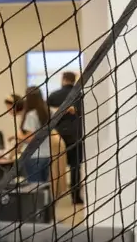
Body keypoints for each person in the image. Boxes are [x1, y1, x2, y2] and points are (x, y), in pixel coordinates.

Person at [50, 69, 85, 204]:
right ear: (74, 79)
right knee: (75, 166)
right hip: (76, 135)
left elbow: (48, 115)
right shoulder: (80, 95)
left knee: (56, 167)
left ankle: (54, 196)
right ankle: (75, 197)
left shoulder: (53, 96)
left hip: (58, 136)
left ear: (63, 79)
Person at [14, 86, 54, 186]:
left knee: (35, 189)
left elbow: (31, 138)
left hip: (34, 156)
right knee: (44, 187)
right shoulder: (49, 112)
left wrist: (18, 136)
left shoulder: (31, 115)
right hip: (47, 155)